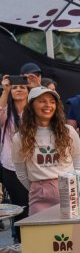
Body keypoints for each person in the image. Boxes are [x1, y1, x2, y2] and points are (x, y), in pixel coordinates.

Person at [12, 87, 80, 214]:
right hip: (39, 196)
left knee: (71, 233)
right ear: (31, 105)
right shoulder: (20, 137)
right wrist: (38, 188)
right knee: (39, 233)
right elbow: (21, 173)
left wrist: (72, 185)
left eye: (52, 101)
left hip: (69, 191)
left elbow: (78, 162)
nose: (48, 105)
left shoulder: (68, 131)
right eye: (42, 101)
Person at [0, 76, 29, 242]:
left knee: (35, 208)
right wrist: (4, 90)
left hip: (33, 166)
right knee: (20, 208)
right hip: (11, 167)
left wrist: (38, 86)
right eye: (15, 87)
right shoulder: (7, 112)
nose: (18, 89)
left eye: (23, 87)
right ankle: (21, 244)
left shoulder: (33, 111)